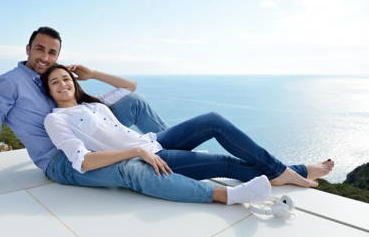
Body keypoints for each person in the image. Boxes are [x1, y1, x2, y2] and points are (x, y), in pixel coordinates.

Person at [39, 64, 335, 205]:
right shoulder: (56, 119)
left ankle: (281, 171)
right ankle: (293, 171)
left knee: (213, 120)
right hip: (150, 156)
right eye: (55, 82)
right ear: (49, 91)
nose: (63, 84)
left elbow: (130, 86)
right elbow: (84, 161)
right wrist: (136, 152)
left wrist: (92, 74)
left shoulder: (94, 103)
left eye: (66, 78)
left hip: (154, 141)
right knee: (224, 163)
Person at [0, 26, 168, 198]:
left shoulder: (55, 77)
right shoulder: (9, 83)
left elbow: (129, 87)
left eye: (52, 53)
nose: (45, 58)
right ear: (28, 49)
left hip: (85, 133)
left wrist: (92, 74)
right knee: (131, 169)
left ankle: (170, 150)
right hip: (62, 156)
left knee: (133, 101)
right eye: (39, 49)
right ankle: (171, 161)